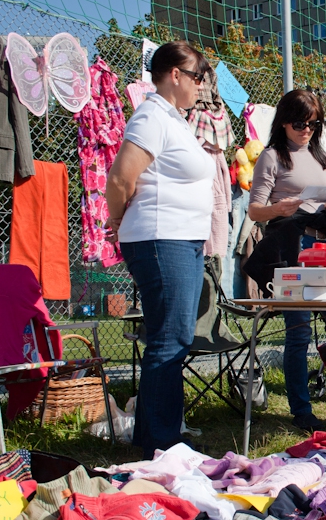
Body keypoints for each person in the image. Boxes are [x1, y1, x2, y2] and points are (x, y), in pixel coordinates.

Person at [106, 41, 214, 459]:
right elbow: (120, 178)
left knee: (176, 337)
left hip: (180, 239)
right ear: (174, 74)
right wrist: (119, 223)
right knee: (169, 339)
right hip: (159, 237)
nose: (201, 86)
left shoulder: (174, 120)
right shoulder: (151, 116)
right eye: (197, 77)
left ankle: (157, 436)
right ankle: (162, 442)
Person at [247, 89, 326, 432]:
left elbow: (321, 200)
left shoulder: (320, 156)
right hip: (291, 247)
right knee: (297, 333)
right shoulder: (271, 156)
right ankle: (301, 411)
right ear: (283, 122)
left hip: (324, 248)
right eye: (299, 123)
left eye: (314, 123)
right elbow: (254, 210)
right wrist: (280, 208)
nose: (306, 129)